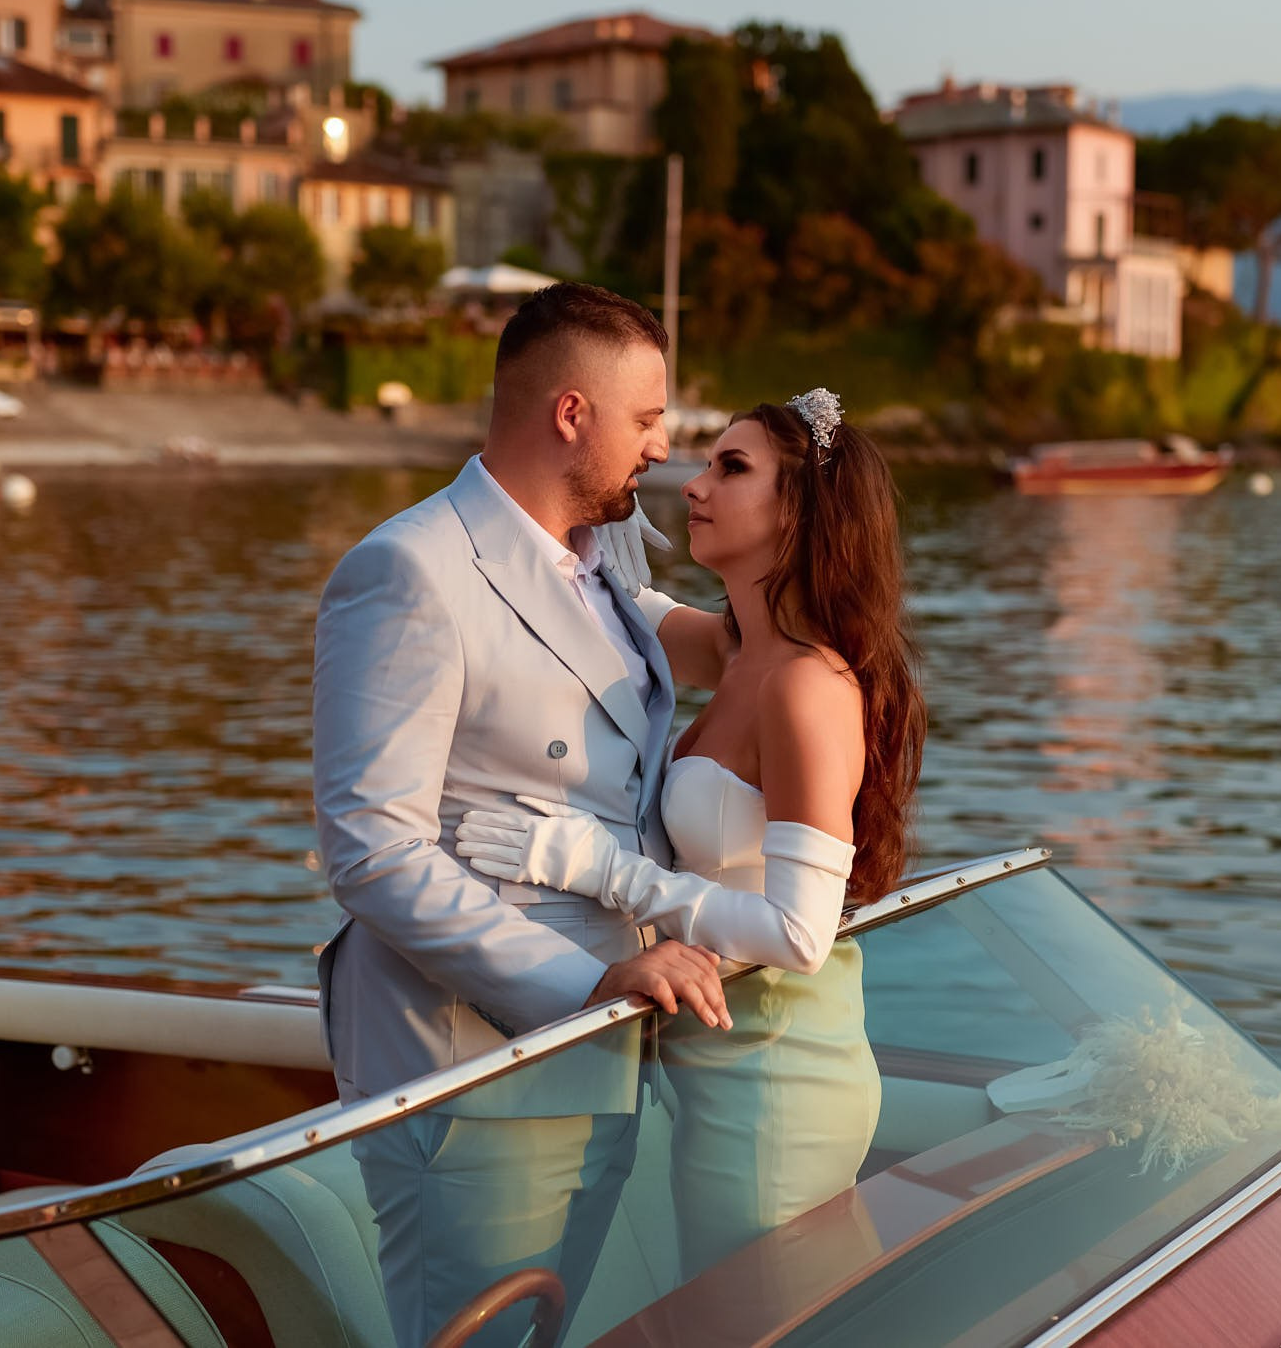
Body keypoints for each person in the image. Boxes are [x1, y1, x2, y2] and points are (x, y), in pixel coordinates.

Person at [310, 282, 730, 1348]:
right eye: (646, 419)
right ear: (570, 414)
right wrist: (583, 981)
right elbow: (372, 853)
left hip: (599, 1047)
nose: (662, 445)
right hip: (470, 1063)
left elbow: (747, 650)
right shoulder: (411, 570)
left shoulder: (601, 567)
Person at [457, 388, 928, 1278]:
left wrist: (602, 869)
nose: (694, 485)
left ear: (803, 511)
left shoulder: (804, 685)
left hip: (777, 1075)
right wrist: (588, 534)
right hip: (723, 1061)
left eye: (732, 467)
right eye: (706, 462)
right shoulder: (740, 649)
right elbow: (612, 606)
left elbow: (799, 934)